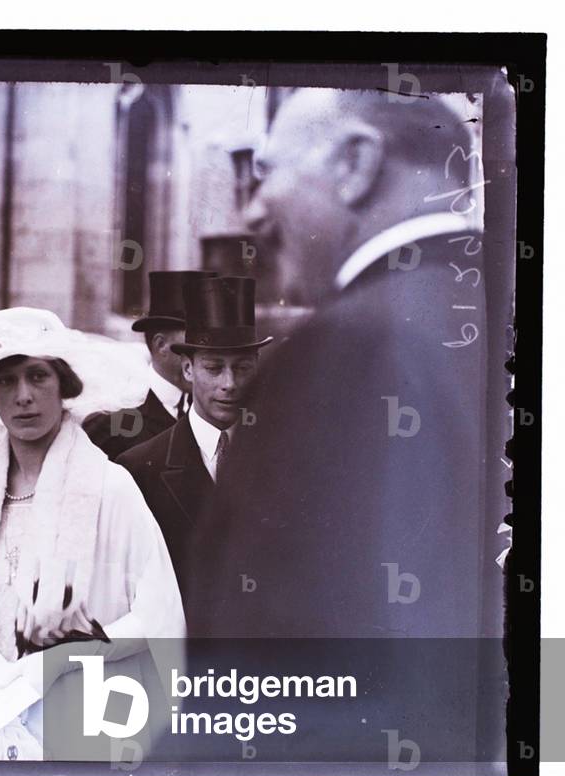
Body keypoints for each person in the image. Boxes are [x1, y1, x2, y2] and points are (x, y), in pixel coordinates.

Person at [186, 88, 502, 642]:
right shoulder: (505, 312)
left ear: (355, 164)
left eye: (268, 174)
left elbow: (290, 672)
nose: (251, 211)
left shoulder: (345, 350)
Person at [0, 307, 186, 760]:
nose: (23, 397)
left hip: (78, 723)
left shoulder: (109, 489)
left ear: (65, 386)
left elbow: (157, 619)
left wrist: (55, 662)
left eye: (38, 377)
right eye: (6, 381)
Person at [117, 276, 269, 609]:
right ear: (188, 369)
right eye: (214, 368)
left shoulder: (287, 462)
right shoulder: (138, 470)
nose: (229, 384)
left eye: (243, 368)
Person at [83, 271, 216, 459]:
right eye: (192, 345)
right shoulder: (113, 423)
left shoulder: (211, 412)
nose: (203, 359)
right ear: (161, 345)